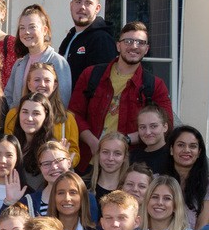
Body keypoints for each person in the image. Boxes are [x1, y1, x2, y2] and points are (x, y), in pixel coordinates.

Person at [68, 21, 172, 164]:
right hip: (89, 162)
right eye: (128, 41)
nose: (134, 46)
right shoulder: (91, 74)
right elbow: (74, 114)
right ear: (118, 45)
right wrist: (92, 142)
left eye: (140, 43)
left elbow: (167, 125)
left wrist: (126, 140)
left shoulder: (155, 85)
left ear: (146, 49)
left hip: (129, 166)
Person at [4, 5, 72, 109]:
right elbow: (8, 96)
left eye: (32, 27)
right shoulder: (19, 64)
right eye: (22, 28)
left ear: (45, 30)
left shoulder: (58, 62)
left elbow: (63, 101)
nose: (26, 32)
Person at [57, 0, 118, 86]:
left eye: (88, 3)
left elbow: (100, 85)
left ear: (97, 8)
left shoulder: (102, 39)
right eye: (78, 2)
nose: (82, 7)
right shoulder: (70, 37)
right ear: (71, 5)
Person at [168, 126, 209, 230]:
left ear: (199, 152)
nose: (186, 150)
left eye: (193, 146)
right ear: (171, 150)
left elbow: (201, 228)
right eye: (181, 145)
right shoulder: (157, 181)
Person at [131, 104, 172, 176]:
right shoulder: (132, 157)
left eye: (153, 126)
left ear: (165, 127)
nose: (148, 132)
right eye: (142, 127)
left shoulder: (173, 156)